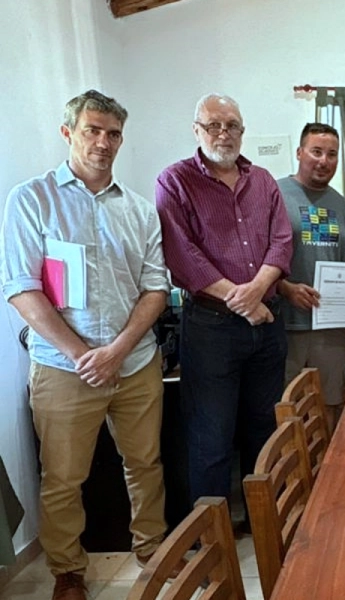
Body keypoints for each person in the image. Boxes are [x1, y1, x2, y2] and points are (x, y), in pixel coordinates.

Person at [0, 90, 172, 600]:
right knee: (63, 477)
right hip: (61, 368)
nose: (103, 142)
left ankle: (153, 551)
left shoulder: (139, 210)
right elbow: (21, 288)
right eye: (93, 130)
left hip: (135, 363)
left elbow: (156, 288)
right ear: (68, 132)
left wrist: (117, 351)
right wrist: (83, 355)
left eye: (113, 133)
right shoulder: (32, 200)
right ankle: (67, 571)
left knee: (145, 464)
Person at [155, 94, 293, 509]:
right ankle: (210, 541)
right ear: (196, 130)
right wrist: (243, 300)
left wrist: (255, 291)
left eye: (231, 125)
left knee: (264, 431)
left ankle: (264, 523)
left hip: (267, 327)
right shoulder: (174, 181)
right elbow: (182, 254)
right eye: (213, 125)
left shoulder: (264, 180)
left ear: (242, 131)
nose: (223, 133)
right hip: (212, 329)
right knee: (210, 435)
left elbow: (282, 241)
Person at [277, 123, 345, 427]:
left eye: (332, 154)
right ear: (299, 152)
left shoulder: (344, 207)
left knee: (330, 404)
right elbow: (254, 258)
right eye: (316, 151)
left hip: (330, 327)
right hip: (286, 325)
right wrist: (285, 288)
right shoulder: (274, 194)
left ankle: (327, 473)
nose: (324, 160)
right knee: (288, 410)